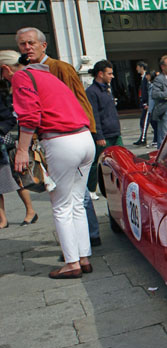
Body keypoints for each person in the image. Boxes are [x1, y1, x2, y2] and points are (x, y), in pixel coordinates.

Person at [1, 50, 94, 278]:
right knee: (76, 203)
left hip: (61, 141)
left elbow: (29, 117)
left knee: (61, 206)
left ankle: (72, 263)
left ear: (6, 70)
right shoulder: (46, 74)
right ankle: (83, 257)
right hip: (83, 138)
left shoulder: (22, 77)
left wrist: (22, 150)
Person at [16, 26, 101, 247]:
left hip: (70, 135)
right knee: (70, 198)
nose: (27, 48)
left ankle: (86, 240)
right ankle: (78, 248)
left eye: (31, 43)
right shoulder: (30, 72)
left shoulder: (58, 68)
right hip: (55, 138)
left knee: (74, 199)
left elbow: (80, 100)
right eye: (22, 44)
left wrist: (90, 132)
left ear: (43, 45)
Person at [0, 89, 37, 228]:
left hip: (3, 147)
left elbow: (10, 119)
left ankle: (30, 211)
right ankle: (3, 219)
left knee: (17, 179)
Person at [86, 60, 122, 150]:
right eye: (109, 74)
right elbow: (94, 115)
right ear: (101, 74)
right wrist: (99, 136)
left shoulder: (107, 89)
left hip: (115, 133)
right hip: (104, 137)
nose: (112, 76)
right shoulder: (91, 92)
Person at [133, 61, 149, 146]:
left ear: (142, 67)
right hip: (144, 103)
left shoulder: (146, 78)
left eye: (137, 67)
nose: (136, 69)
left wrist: (147, 102)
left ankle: (143, 139)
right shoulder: (143, 78)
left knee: (144, 122)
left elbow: (148, 91)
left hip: (147, 104)